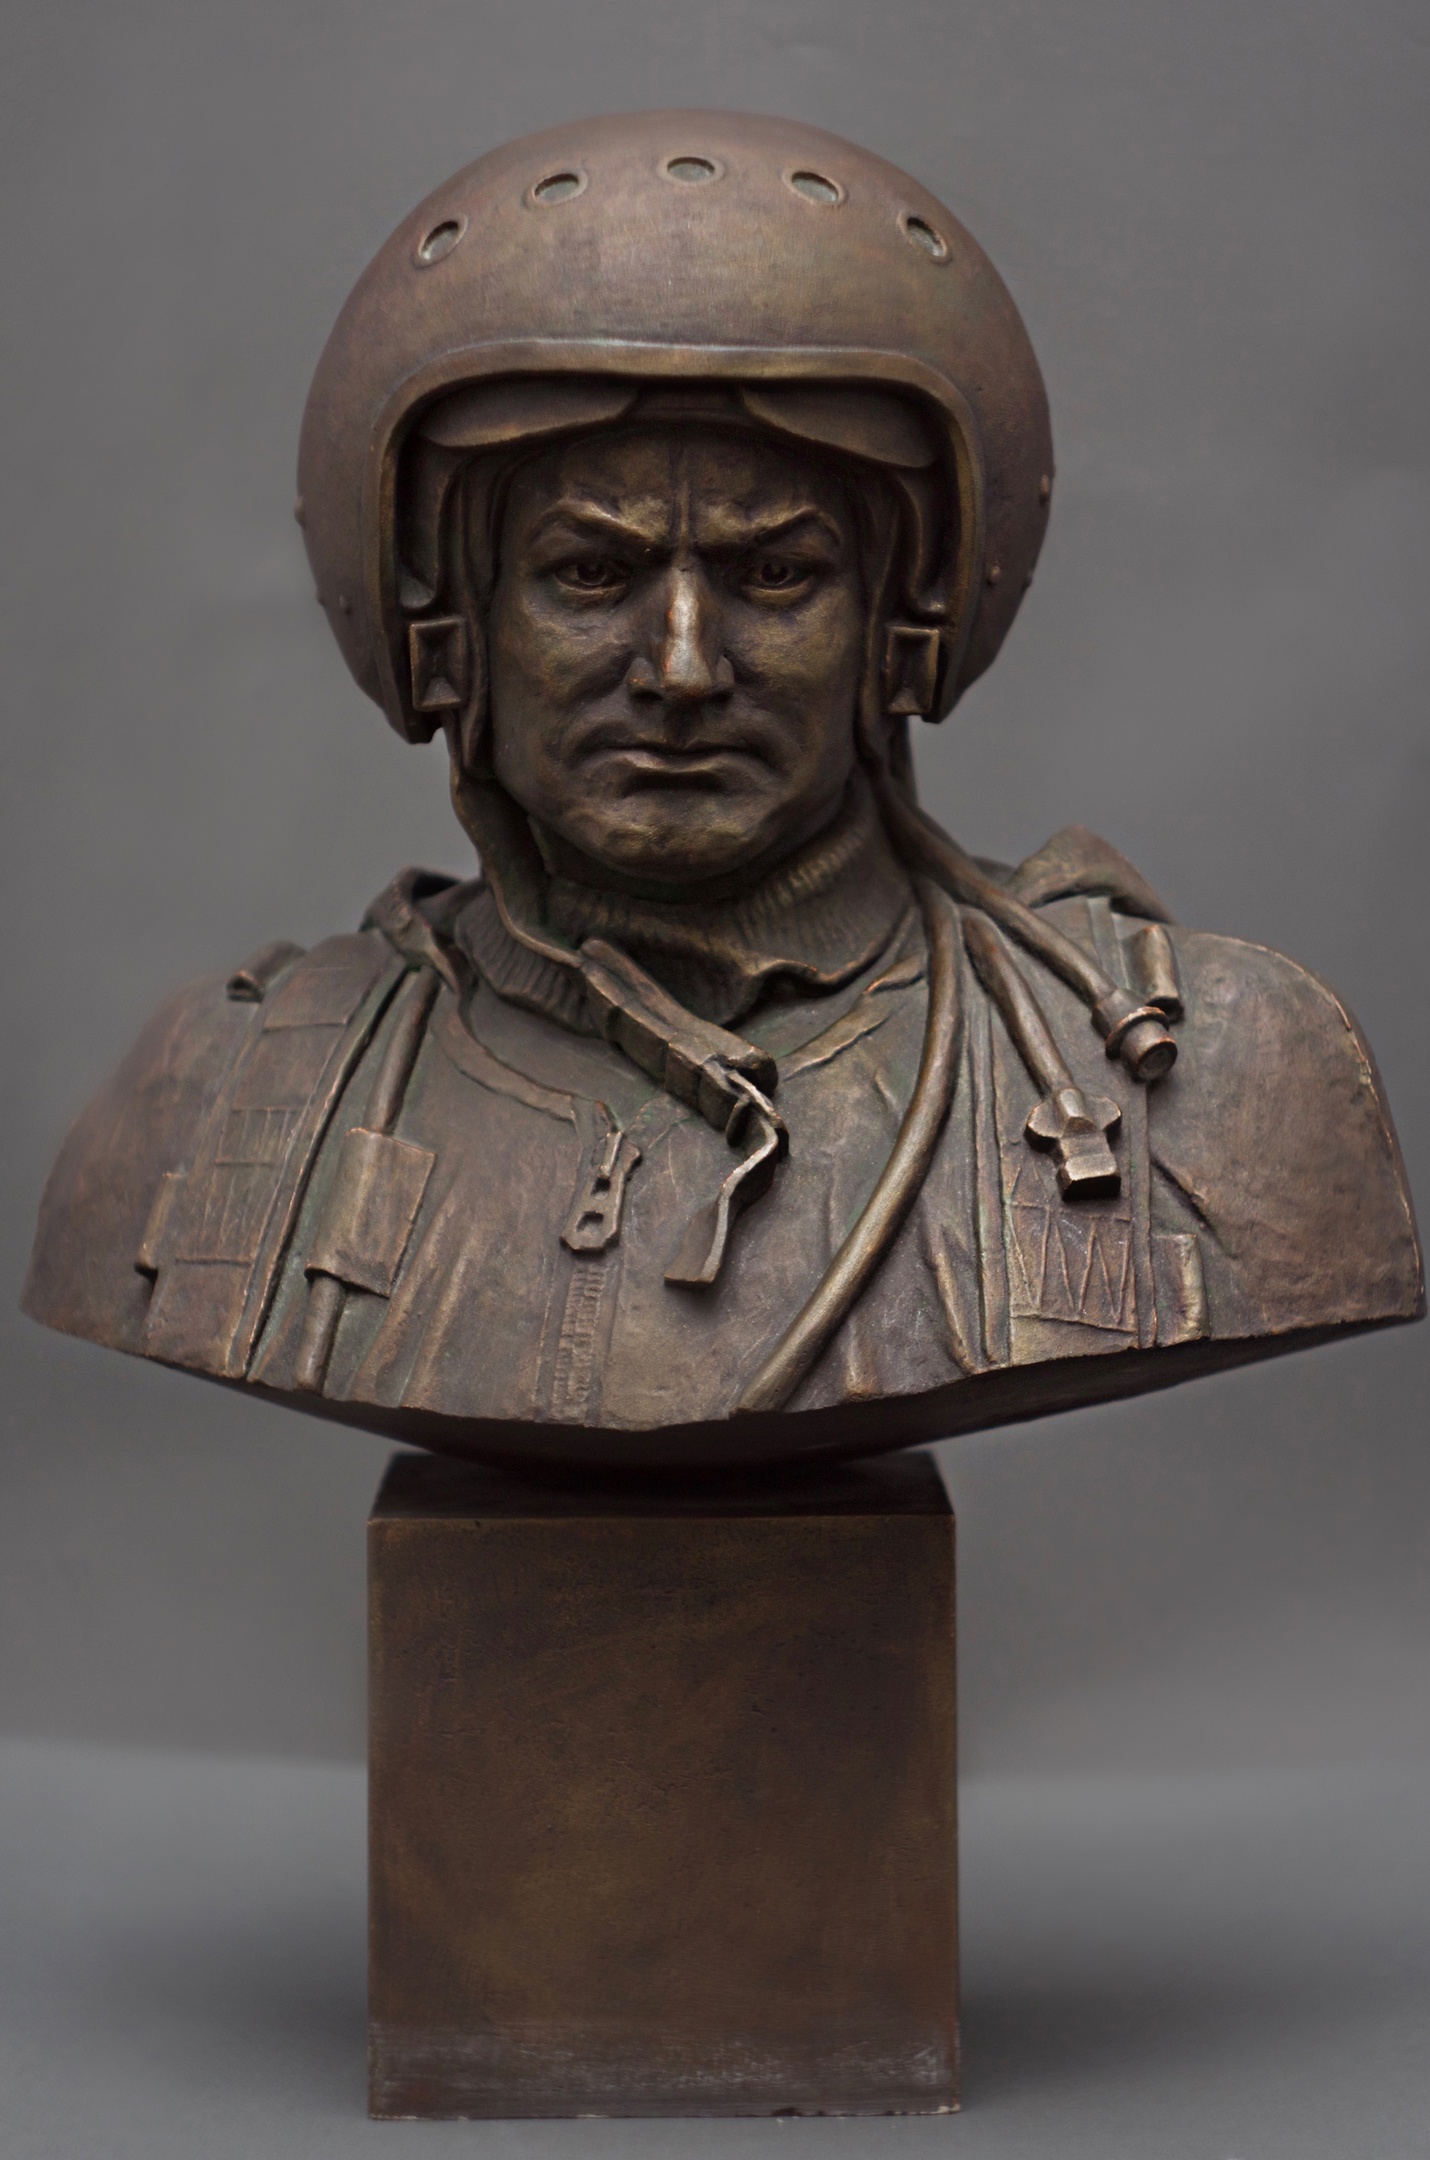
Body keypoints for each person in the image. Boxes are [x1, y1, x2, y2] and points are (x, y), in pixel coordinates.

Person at [23, 113, 1422, 1472]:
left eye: (776, 574)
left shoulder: (1202, 1077)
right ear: (448, 630)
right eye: (589, 574)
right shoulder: (226, 1091)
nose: (683, 669)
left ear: (901, 625)